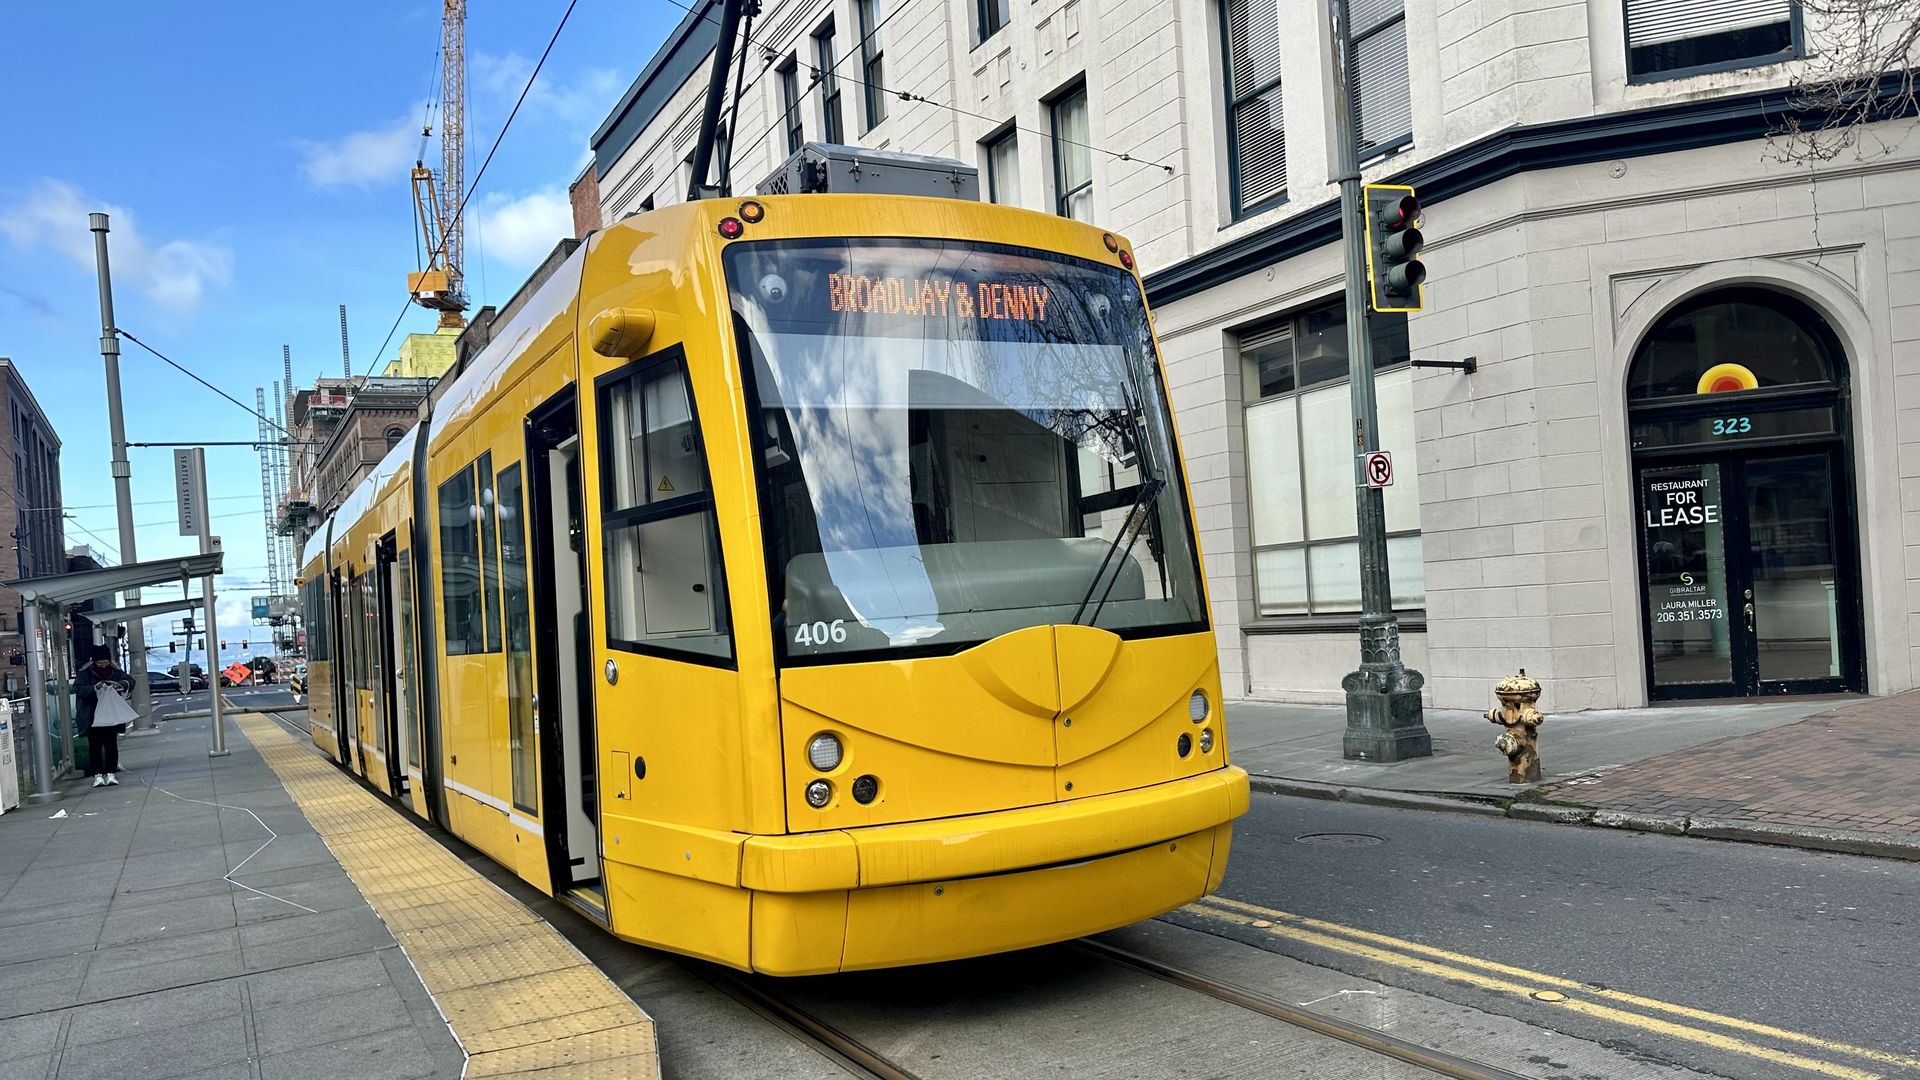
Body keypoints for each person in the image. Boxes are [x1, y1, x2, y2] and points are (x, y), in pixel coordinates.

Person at [76, 649, 132, 786]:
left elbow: (130, 681)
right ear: (94, 662)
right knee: (94, 746)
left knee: (111, 745)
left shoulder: (116, 673)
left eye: (106, 662)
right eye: (100, 663)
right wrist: (95, 688)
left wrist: (121, 685)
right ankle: (98, 775)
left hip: (109, 714)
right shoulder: (84, 674)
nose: (103, 665)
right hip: (93, 715)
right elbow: (79, 689)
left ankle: (110, 773)